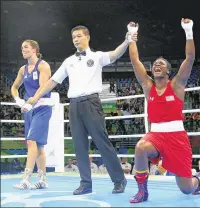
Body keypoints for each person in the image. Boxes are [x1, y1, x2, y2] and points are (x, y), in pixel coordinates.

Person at [22, 24, 137, 195]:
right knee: (79, 146)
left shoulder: (97, 57)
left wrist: (127, 41)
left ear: (87, 37)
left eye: (79, 36)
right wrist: (35, 98)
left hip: (91, 102)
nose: (75, 39)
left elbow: (114, 55)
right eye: (73, 37)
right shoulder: (69, 61)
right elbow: (52, 82)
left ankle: (119, 181)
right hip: (74, 105)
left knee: (102, 142)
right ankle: (85, 184)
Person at [128, 19, 200, 203]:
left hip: (177, 138)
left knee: (186, 189)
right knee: (140, 148)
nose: (157, 65)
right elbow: (134, 60)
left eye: (161, 64)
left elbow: (190, 58)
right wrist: (131, 37)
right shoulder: (148, 86)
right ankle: (142, 192)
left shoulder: (177, 85)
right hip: (155, 136)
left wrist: (188, 31)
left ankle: (197, 180)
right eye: (155, 64)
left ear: (169, 71)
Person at [11, 39, 52, 189]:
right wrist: (18, 100)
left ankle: (26, 179)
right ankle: (42, 180)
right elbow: (14, 87)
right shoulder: (23, 69)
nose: (23, 50)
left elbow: (43, 89)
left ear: (34, 49)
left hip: (42, 107)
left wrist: (30, 102)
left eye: (26, 47)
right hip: (29, 109)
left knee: (31, 141)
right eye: (22, 48)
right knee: (39, 146)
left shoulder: (43, 66)